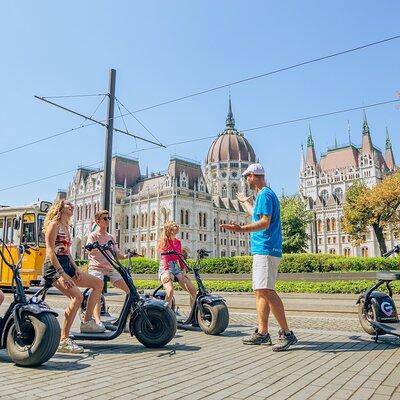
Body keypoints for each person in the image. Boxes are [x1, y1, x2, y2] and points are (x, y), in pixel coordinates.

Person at [221, 163, 297, 351]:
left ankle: (287, 334)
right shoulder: (265, 195)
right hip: (264, 249)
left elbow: (264, 222)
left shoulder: (264, 194)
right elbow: (256, 215)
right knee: (261, 291)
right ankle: (262, 333)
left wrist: (241, 229)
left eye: (248, 176)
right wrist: (244, 201)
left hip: (266, 248)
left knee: (267, 290)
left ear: (255, 175)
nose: (246, 179)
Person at [42, 200, 105, 354]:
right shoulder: (54, 224)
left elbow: (67, 252)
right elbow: (50, 251)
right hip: (54, 268)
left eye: (72, 205)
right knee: (77, 297)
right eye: (68, 205)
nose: (71, 207)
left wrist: (76, 268)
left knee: (98, 284)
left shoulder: (67, 227)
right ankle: (63, 340)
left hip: (67, 266)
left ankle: (87, 322)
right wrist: (62, 274)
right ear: (60, 208)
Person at [86, 210, 131, 327]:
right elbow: (89, 250)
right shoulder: (93, 235)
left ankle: (125, 318)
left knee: (129, 290)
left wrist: (127, 256)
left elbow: (116, 254)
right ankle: (97, 320)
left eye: (108, 218)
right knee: (97, 290)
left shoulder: (111, 237)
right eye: (105, 218)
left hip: (110, 269)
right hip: (96, 268)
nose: (107, 221)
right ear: (97, 221)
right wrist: (96, 248)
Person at [158, 221, 197, 307]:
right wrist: (167, 272)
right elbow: (164, 258)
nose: (178, 226)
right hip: (165, 267)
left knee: (193, 291)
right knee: (170, 291)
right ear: (170, 229)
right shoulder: (165, 241)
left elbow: (180, 257)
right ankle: (166, 315)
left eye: (177, 225)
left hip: (176, 267)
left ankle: (194, 316)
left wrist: (184, 271)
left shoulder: (178, 242)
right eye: (175, 225)